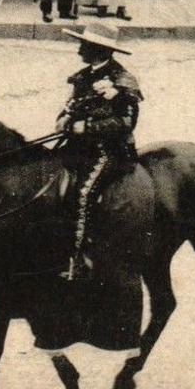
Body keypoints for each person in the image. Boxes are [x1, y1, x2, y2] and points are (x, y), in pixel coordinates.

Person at [55, 23, 142, 281]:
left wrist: (86, 127)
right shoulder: (83, 76)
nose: (80, 48)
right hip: (78, 148)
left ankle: (81, 259)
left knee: (84, 192)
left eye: (84, 44)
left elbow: (125, 123)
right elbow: (71, 107)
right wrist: (63, 119)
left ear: (99, 49)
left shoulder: (122, 81)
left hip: (110, 151)